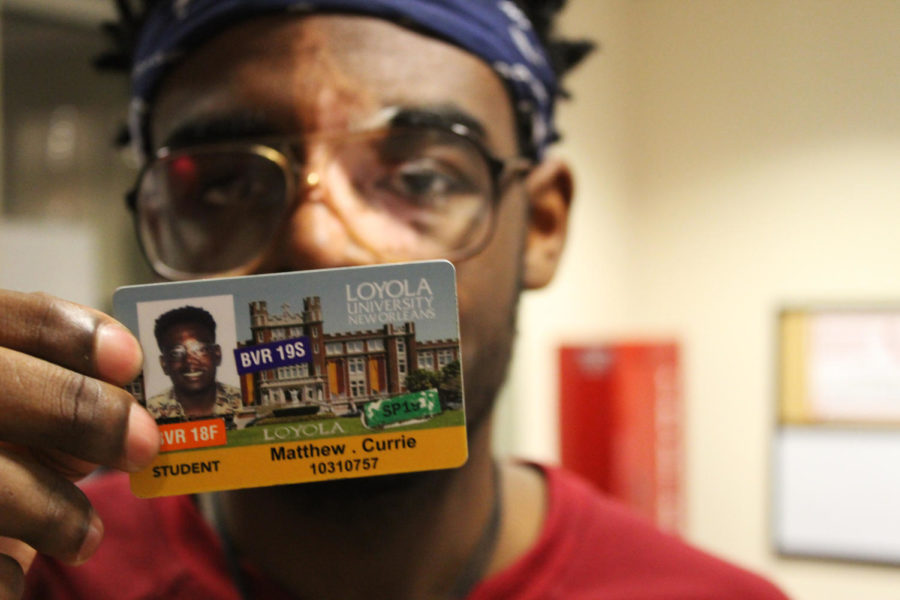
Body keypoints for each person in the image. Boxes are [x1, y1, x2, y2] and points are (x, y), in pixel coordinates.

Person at [0, 1, 791, 598]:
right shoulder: (46, 573)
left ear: (543, 225)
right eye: (227, 184)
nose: (318, 240)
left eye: (419, 178)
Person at [146, 305, 242, 422]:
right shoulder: (149, 413)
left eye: (200, 349)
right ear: (164, 364)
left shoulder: (241, 400)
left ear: (217, 354)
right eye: (176, 353)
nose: (189, 361)